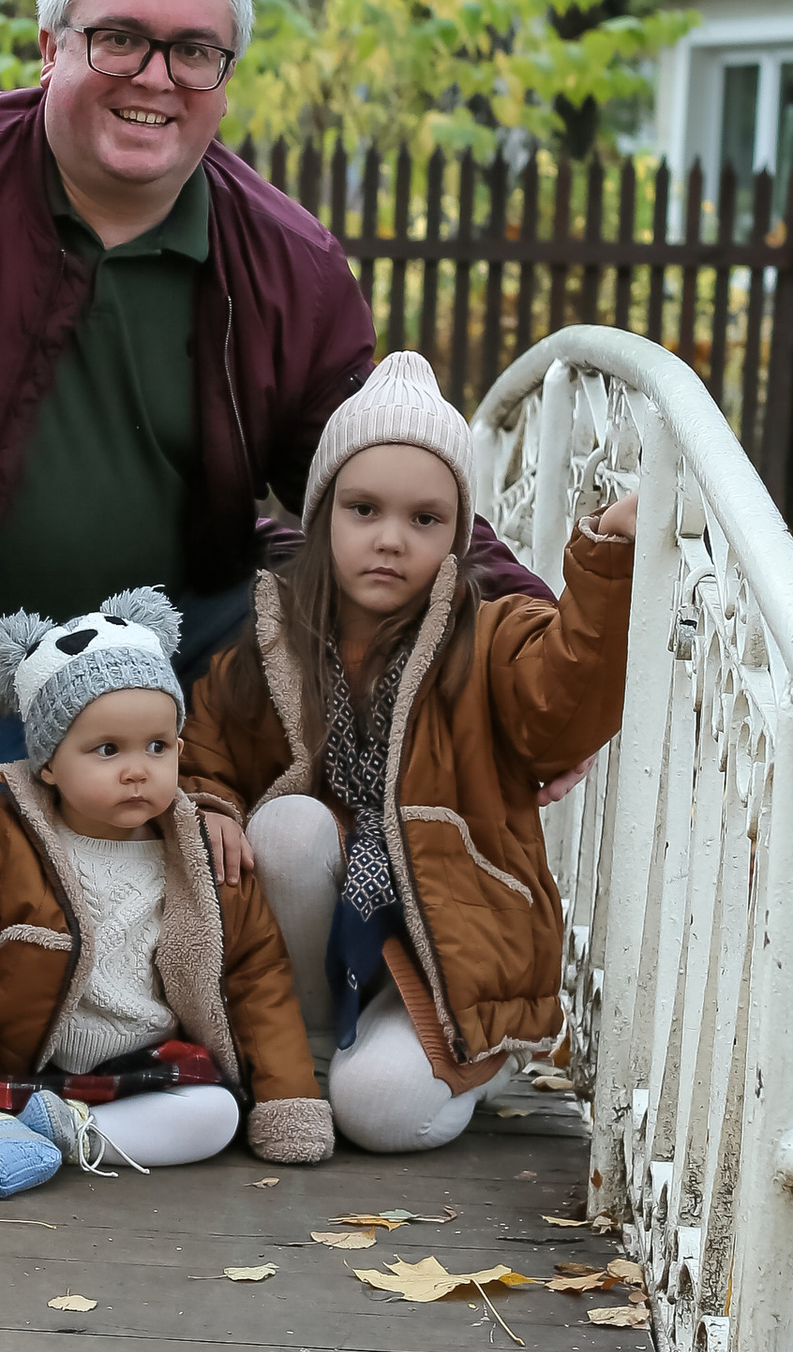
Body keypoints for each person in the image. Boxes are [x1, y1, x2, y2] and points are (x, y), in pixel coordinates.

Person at [0, 0, 542, 995]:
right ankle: (20, 951)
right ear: (50, 48)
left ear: (225, 76)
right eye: (118, 39)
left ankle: (298, 982)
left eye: (194, 51)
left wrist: (534, 644)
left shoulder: (288, 265)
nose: (156, 78)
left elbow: (378, 482)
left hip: (177, 674)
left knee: (344, 640)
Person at [180, 355, 638, 1156]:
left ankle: (429, 1056)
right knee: (287, 826)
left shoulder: (488, 637)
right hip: (320, 947)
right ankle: (308, 1057)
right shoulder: (271, 642)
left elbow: (564, 706)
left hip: (452, 957)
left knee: (384, 1113)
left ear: (457, 536)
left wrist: (604, 559)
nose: (391, 539)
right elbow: (203, 751)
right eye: (364, 510)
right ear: (322, 517)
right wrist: (212, 804)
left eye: (425, 520)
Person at [0, 588, 328, 1197]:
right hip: (12, 1058)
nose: (137, 769)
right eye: (106, 750)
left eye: (158, 746)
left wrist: (288, 1098)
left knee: (215, 1115)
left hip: (141, 1064)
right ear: (48, 765)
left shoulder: (200, 852)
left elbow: (258, 976)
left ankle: (74, 1132)